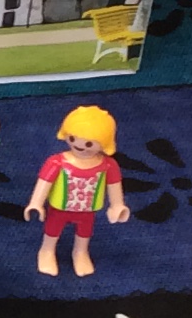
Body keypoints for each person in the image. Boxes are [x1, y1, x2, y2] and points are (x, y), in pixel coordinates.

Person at [24, 104, 129, 277]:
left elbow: (114, 185)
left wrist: (117, 205)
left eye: (89, 143)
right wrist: (36, 203)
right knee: (52, 229)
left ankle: (80, 252)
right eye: (72, 138)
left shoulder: (108, 165)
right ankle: (47, 251)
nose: (80, 146)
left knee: (84, 232)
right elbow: (44, 182)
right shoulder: (57, 162)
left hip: (87, 210)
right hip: (59, 208)